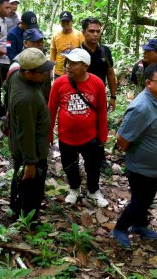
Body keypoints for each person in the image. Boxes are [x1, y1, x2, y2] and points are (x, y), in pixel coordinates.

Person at [113, 63, 157, 249]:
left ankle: (139, 225)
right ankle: (120, 228)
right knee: (140, 202)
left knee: (147, 199)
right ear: (148, 83)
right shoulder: (141, 107)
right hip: (141, 168)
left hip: (155, 168)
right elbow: (122, 140)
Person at [48, 48, 109, 208]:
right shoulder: (59, 83)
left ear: (85, 67)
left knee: (93, 165)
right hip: (66, 136)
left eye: (74, 63)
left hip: (90, 135)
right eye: (68, 62)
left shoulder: (97, 83)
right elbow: (51, 109)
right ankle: (74, 188)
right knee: (69, 164)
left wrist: (103, 134)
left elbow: (102, 111)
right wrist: (48, 135)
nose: (68, 66)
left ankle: (93, 191)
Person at [8, 48, 55, 223]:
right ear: (28, 73)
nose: (46, 74)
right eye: (42, 72)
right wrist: (31, 162)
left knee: (21, 180)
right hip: (31, 150)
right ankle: (28, 220)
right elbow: (26, 133)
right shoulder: (26, 99)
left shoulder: (16, 76)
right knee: (31, 184)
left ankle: (16, 208)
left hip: (24, 146)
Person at [79, 17, 117, 112]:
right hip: (80, 97)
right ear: (83, 33)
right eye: (91, 31)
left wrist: (113, 97)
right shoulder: (77, 52)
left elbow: (110, 73)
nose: (95, 34)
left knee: (100, 124)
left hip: (100, 96)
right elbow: (67, 76)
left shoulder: (105, 51)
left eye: (98, 31)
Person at [7, 28, 51, 102]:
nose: (40, 45)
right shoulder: (17, 64)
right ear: (25, 43)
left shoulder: (41, 58)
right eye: (35, 42)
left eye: (41, 41)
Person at [49, 11, 84, 79]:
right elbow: (53, 54)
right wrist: (51, 70)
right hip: (58, 72)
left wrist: (75, 50)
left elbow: (84, 53)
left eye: (67, 21)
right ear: (60, 22)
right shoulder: (55, 35)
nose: (65, 23)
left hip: (74, 72)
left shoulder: (79, 35)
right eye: (63, 21)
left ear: (72, 22)